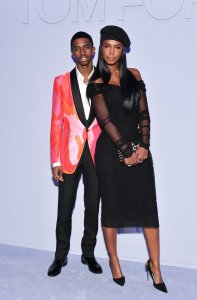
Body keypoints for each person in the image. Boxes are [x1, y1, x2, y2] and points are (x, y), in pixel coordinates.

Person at [87, 25, 167, 292]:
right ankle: (114, 261)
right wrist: (126, 149)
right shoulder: (96, 82)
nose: (111, 52)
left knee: (149, 210)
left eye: (117, 47)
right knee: (110, 209)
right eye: (107, 46)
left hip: (140, 150)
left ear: (123, 50)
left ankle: (155, 266)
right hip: (110, 153)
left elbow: (144, 113)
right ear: (101, 48)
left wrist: (143, 146)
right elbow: (105, 121)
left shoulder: (134, 75)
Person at [48, 32, 102, 277]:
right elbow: (56, 122)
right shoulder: (60, 82)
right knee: (64, 207)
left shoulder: (105, 79)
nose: (82, 52)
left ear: (93, 50)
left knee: (92, 206)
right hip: (69, 154)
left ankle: (88, 253)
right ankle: (60, 256)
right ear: (72, 52)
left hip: (98, 153)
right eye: (77, 48)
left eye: (86, 47)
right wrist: (55, 160)